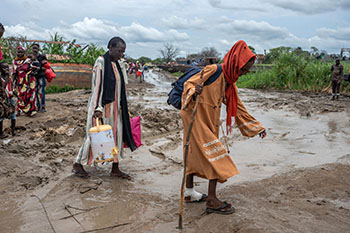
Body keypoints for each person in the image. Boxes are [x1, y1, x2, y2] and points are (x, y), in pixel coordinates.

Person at [180, 40, 266, 214]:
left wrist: (257, 127)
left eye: (247, 71)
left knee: (194, 153)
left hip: (210, 120)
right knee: (216, 155)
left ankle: (189, 192)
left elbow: (238, 106)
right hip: (195, 118)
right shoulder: (214, 71)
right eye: (243, 69)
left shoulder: (230, 80)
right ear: (235, 63)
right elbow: (187, 85)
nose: (244, 73)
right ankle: (211, 200)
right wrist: (193, 90)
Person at [73, 37, 137, 179]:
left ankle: (115, 168)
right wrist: (97, 107)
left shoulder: (118, 64)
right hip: (102, 108)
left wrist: (123, 107)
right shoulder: (101, 62)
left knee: (117, 137)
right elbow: (97, 86)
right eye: (119, 51)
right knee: (94, 136)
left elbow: (120, 87)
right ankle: (78, 163)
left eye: (123, 52)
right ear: (110, 47)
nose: (121, 54)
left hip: (116, 108)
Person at [12, 47, 38, 116]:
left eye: (22, 52)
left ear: (24, 53)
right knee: (20, 95)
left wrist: (31, 73)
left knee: (30, 95)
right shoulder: (14, 62)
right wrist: (13, 82)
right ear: (16, 53)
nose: (20, 54)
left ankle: (31, 110)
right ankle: (19, 110)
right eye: (19, 52)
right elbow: (14, 73)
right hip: (20, 81)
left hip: (29, 80)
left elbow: (34, 69)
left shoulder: (28, 60)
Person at [0, 62, 16, 138]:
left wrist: (17, 96)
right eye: (4, 68)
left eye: (7, 67)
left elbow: (11, 89)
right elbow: (3, 88)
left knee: (13, 115)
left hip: (9, 98)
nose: (6, 69)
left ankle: (13, 131)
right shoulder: (1, 79)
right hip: (1, 100)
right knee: (1, 116)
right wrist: (7, 76)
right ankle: (1, 133)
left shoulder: (9, 78)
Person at [31, 43, 48, 112]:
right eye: (33, 48)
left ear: (38, 49)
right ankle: (37, 106)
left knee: (41, 91)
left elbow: (45, 68)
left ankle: (43, 106)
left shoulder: (42, 57)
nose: (35, 49)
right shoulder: (29, 57)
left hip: (41, 76)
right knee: (35, 92)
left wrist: (37, 67)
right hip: (34, 77)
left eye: (36, 48)